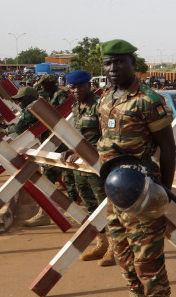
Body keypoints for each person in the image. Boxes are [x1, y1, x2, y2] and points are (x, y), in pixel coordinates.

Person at [97, 39, 176, 297]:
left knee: (149, 266)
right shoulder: (106, 99)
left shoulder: (148, 100)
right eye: (108, 63)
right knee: (126, 260)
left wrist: (165, 193)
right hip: (116, 197)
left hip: (143, 196)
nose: (113, 68)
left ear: (133, 63)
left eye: (120, 62)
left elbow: (168, 148)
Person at [61, 70, 114, 266]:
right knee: (91, 207)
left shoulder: (101, 106)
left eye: (79, 86)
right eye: (72, 87)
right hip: (80, 168)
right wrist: (70, 150)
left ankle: (115, 249)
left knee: (107, 208)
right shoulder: (76, 108)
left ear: (88, 85)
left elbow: (109, 136)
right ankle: (102, 243)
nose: (75, 91)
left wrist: (87, 151)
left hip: (99, 165)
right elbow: (77, 135)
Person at [24, 74, 78, 226]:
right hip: (51, 145)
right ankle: (46, 213)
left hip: (62, 145)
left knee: (68, 180)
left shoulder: (60, 96)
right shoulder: (44, 96)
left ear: (51, 83)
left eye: (44, 84)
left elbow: (62, 115)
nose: (41, 87)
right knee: (48, 179)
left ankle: (73, 212)